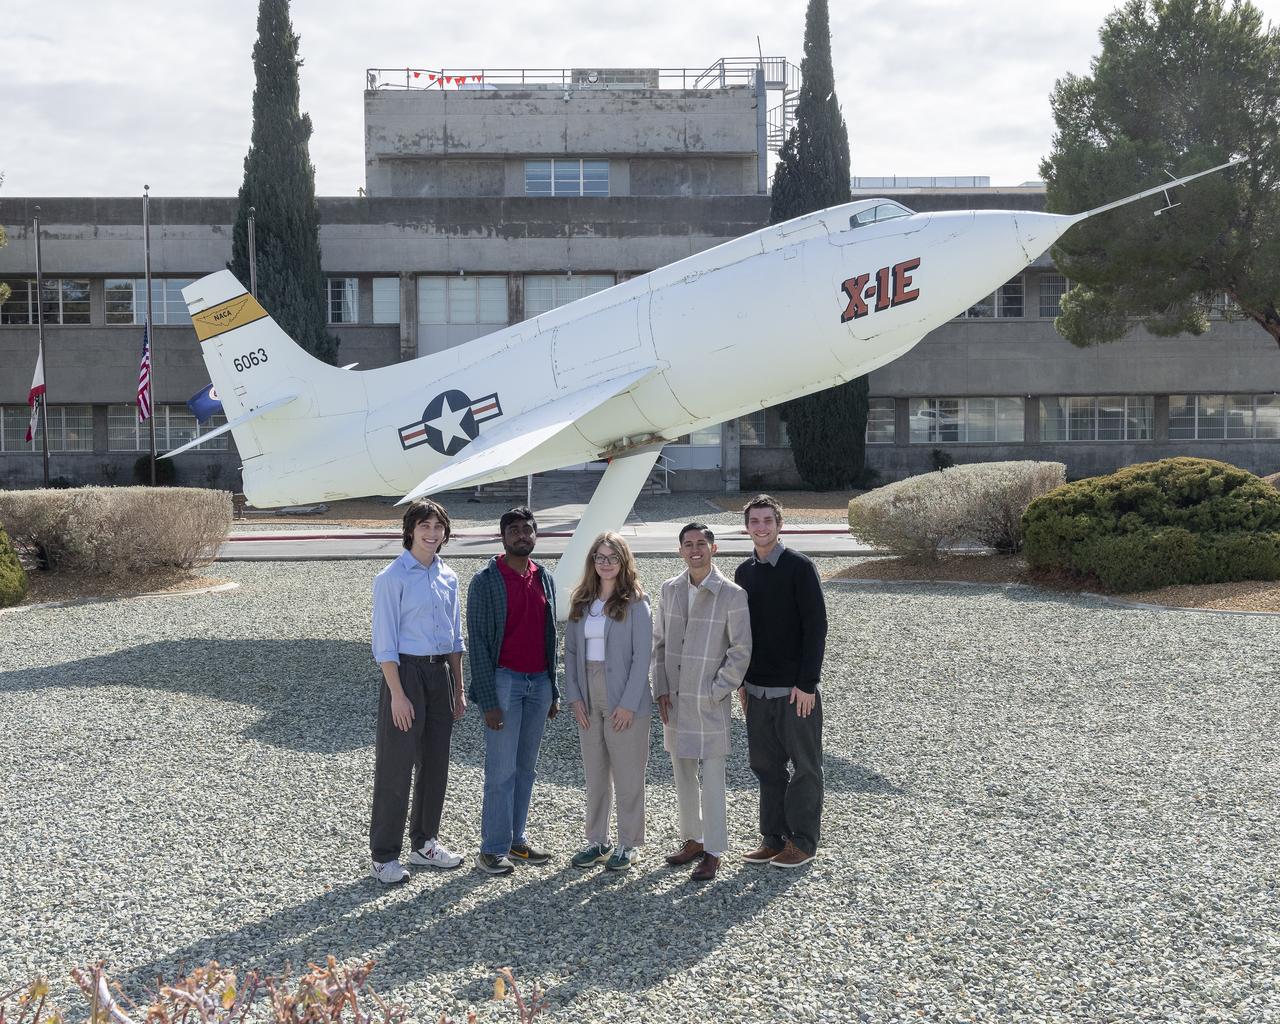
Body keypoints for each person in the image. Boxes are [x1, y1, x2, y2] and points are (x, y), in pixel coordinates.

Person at [368, 498, 467, 884]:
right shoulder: (391, 578)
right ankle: (384, 854)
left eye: (438, 526)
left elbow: (455, 638)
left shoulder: (449, 577)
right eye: (424, 525)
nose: (431, 533)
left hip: (438, 674)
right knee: (396, 765)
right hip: (405, 675)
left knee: (436, 763)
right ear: (410, 530)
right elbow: (384, 644)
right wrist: (397, 694)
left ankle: (424, 841)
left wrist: (458, 688)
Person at [652, 523, 752, 882]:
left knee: (712, 777)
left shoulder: (732, 594)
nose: (695, 550)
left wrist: (717, 690)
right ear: (680, 550)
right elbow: (659, 642)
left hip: (710, 701)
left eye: (701, 544)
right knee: (682, 774)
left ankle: (714, 850)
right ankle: (692, 839)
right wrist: (660, 686)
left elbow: (740, 651)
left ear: (714, 548)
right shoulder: (670, 589)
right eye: (688, 544)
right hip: (675, 699)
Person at [734, 494, 828, 869]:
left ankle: (802, 842)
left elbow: (816, 626)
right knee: (766, 766)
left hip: (794, 692)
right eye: (754, 521)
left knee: (805, 767)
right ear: (747, 527)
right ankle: (773, 838)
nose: (761, 527)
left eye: (767, 520)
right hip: (756, 690)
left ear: (779, 524)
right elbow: (742, 633)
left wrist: (807, 683)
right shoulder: (744, 573)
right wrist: (742, 681)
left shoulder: (799, 567)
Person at [467, 507, 560, 876]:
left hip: (538, 684)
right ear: (503, 537)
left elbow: (552, 636)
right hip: (504, 682)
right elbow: (478, 644)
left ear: (536, 534)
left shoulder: (545, 578)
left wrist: (552, 688)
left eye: (527, 529)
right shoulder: (486, 580)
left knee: (526, 769)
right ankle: (491, 849)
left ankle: (515, 841)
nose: (522, 534)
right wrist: (488, 700)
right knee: (501, 771)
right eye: (514, 530)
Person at [562, 532, 653, 872]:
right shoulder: (582, 602)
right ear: (592, 561)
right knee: (596, 774)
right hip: (589, 692)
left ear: (623, 562)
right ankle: (597, 841)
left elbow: (644, 655)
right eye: (599, 557)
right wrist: (575, 698)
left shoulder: (636, 603)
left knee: (628, 775)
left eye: (612, 557)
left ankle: (629, 844)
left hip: (624, 695)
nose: (605, 563)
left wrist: (628, 703)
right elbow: (570, 652)